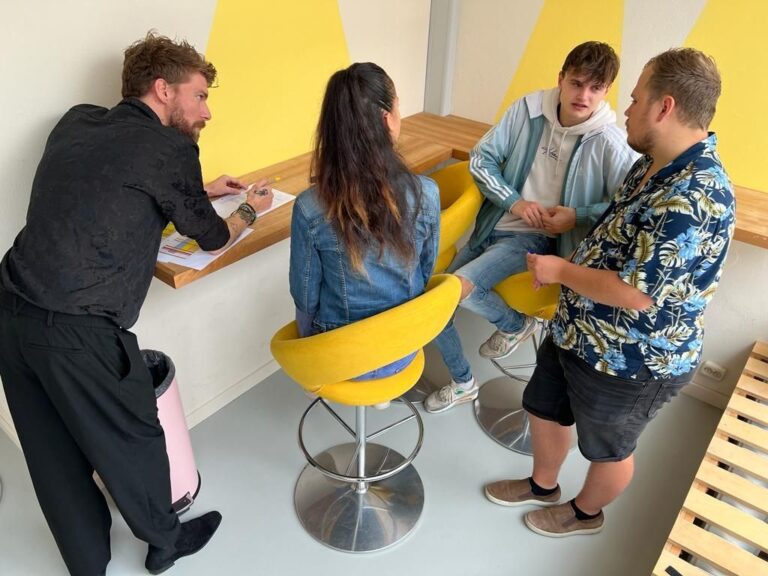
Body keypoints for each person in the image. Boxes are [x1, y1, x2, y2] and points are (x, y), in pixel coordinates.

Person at [0, 32, 273, 576]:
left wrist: (199, 190)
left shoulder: (76, 121)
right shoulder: (170, 150)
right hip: (78, 330)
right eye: (200, 96)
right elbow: (214, 237)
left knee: (52, 457)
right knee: (136, 436)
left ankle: (87, 563)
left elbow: (109, 191)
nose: (208, 111)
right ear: (162, 90)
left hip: (10, 309)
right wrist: (248, 208)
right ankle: (165, 543)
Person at [484, 47, 734, 537]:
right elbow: (617, 235)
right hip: (580, 329)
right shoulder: (654, 164)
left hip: (632, 360)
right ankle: (542, 485)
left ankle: (584, 513)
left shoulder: (693, 197)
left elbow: (636, 294)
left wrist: (559, 269)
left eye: (635, 98)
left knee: (607, 448)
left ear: (664, 107)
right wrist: (575, 228)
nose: (625, 107)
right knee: (543, 407)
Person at [425, 41, 638, 413]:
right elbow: (481, 160)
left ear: (607, 91)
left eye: (596, 88)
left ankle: (513, 324)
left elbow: (631, 204)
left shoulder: (610, 141)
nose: (583, 95)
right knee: (434, 300)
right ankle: (463, 382)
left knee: (455, 289)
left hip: (538, 241)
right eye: (576, 83)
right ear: (561, 79)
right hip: (493, 224)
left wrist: (578, 214)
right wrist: (514, 202)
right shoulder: (526, 111)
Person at [289, 62, 439, 381]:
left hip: (342, 357)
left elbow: (304, 295)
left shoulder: (309, 207)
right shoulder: (426, 194)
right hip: (403, 347)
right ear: (388, 120)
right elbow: (425, 270)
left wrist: (307, 356)